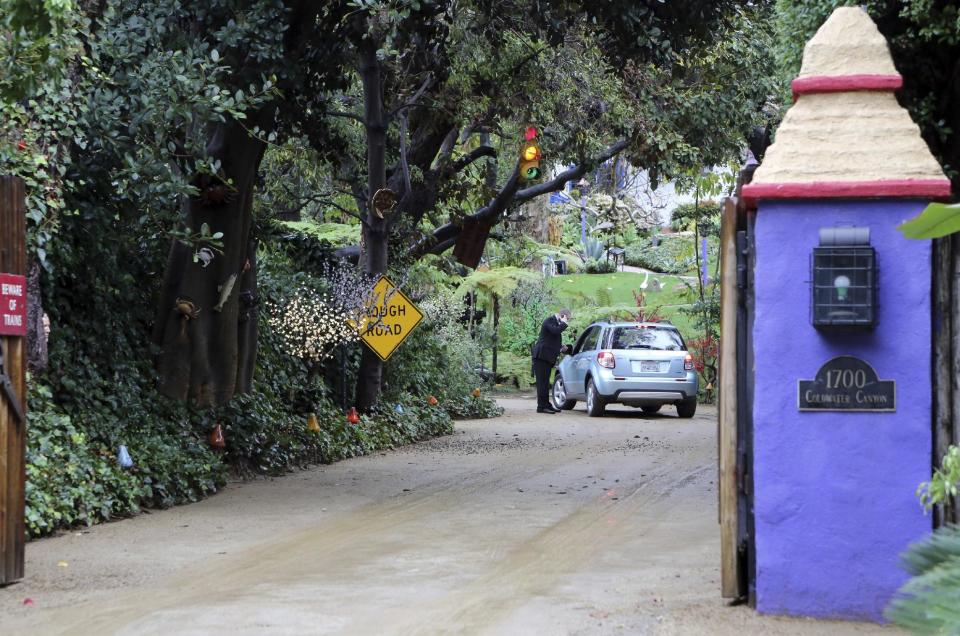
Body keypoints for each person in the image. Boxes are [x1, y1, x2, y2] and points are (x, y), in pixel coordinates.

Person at [531, 308, 571, 413]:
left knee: (545, 382)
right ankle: (541, 407)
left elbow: (551, 339)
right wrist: (564, 323)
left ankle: (546, 405)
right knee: (542, 383)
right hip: (541, 357)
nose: (568, 321)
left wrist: (561, 347)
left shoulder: (555, 323)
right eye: (568, 319)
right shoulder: (549, 320)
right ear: (563, 316)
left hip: (547, 358)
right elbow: (555, 331)